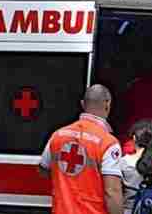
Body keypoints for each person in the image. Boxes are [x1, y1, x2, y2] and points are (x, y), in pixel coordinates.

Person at [38, 84, 123, 214]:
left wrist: (66, 182)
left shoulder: (58, 135)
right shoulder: (108, 143)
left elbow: (43, 169)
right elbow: (112, 192)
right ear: (108, 104)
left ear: (83, 104)